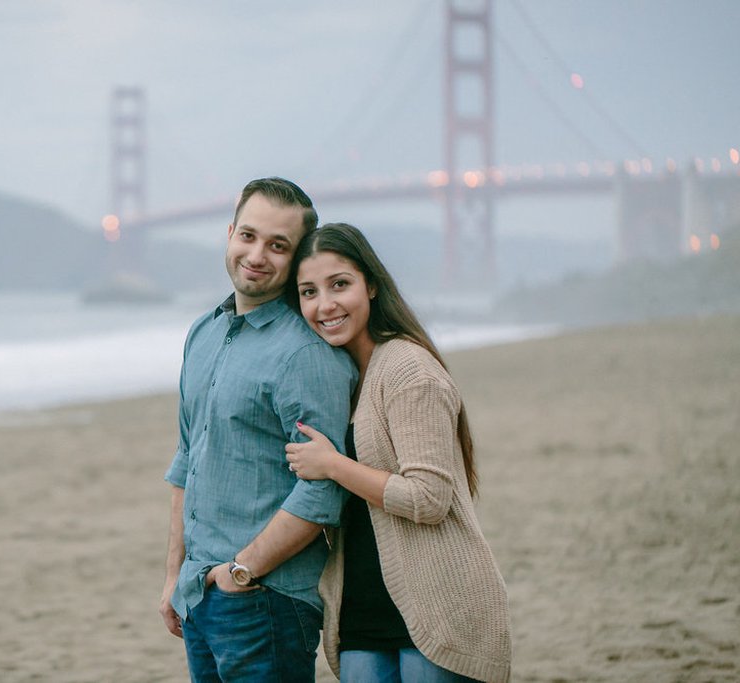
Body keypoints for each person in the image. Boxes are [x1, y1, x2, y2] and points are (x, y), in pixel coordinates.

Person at [284, 223, 512, 683]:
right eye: (309, 292)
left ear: (370, 283)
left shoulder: (408, 369)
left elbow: (429, 499)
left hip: (437, 607)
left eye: (339, 285)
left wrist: (333, 465)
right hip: (363, 612)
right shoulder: (341, 378)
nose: (324, 305)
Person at [159, 178, 359, 682]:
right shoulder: (203, 332)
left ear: (295, 260)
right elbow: (187, 458)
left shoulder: (306, 356)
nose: (257, 254)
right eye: (248, 236)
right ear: (229, 233)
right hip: (200, 593)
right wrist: (174, 577)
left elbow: (320, 493)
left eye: (278, 245)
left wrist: (241, 572)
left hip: (265, 600)